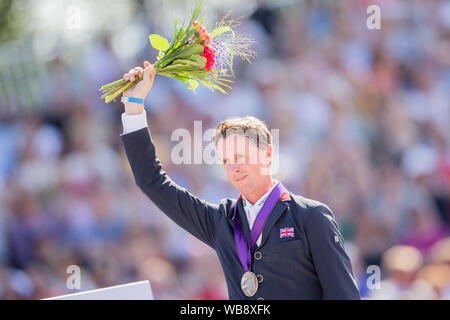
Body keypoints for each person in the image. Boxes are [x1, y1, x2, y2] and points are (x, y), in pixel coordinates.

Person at [118, 61, 361, 300]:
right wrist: (134, 105)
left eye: (240, 156)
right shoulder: (221, 222)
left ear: (267, 154)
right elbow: (152, 182)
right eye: (226, 160)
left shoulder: (311, 216)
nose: (234, 167)